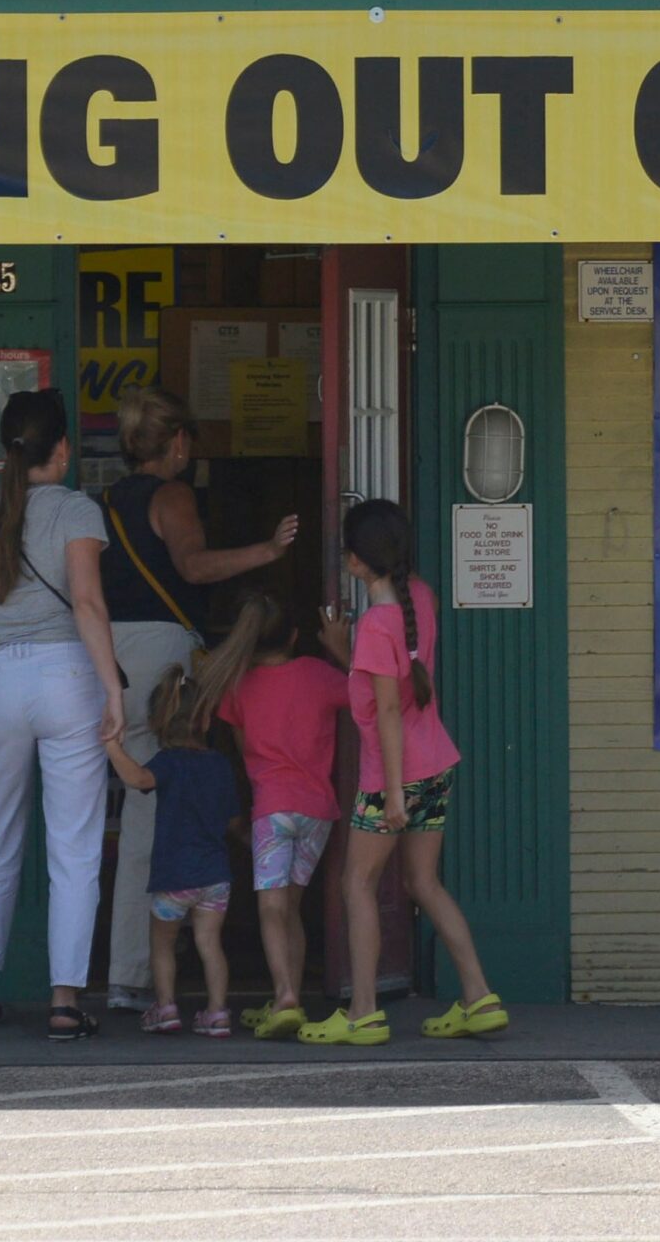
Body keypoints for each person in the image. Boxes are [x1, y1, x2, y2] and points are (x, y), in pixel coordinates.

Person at [0, 388, 125, 1043]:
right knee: (73, 847)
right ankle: (65, 1002)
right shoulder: (75, 509)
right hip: (67, 677)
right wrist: (113, 689)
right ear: (61, 448)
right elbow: (88, 606)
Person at [98, 385, 298, 1009]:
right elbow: (192, 567)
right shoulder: (174, 493)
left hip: (105, 652)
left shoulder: (100, 501)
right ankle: (144, 972)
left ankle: (123, 968)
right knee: (161, 813)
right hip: (161, 654)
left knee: (122, 809)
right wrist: (267, 552)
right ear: (178, 442)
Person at [299, 498, 508, 1046]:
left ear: (358, 561)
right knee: (424, 883)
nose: (344, 556)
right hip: (435, 763)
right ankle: (479, 997)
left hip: (391, 777)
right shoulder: (420, 598)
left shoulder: (375, 623)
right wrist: (348, 653)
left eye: (348, 549)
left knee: (356, 882)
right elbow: (399, 685)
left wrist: (391, 793)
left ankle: (363, 1011)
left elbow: (387, 710)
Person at [199, 591, 352, 1038]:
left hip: (272, 809)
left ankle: (285, 997)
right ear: (294, 635)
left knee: (270, 905)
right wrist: (343, 650)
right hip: (318, 810)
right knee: (292, 909)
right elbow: (364, 692)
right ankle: (291, 997)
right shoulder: (320, 676)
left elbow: (245, 749)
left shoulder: (237, 687)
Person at [105, 663, 240, 1037]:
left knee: (162, 944)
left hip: (174, 878)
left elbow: (137, 779)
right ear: (205, 721)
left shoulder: (168, 762)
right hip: (215, 878)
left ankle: (165, 1008)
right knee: (210, 943)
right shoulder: (220, 765)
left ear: (156, 724)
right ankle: (217, 1013)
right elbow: (232, 821)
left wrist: (112, 746)